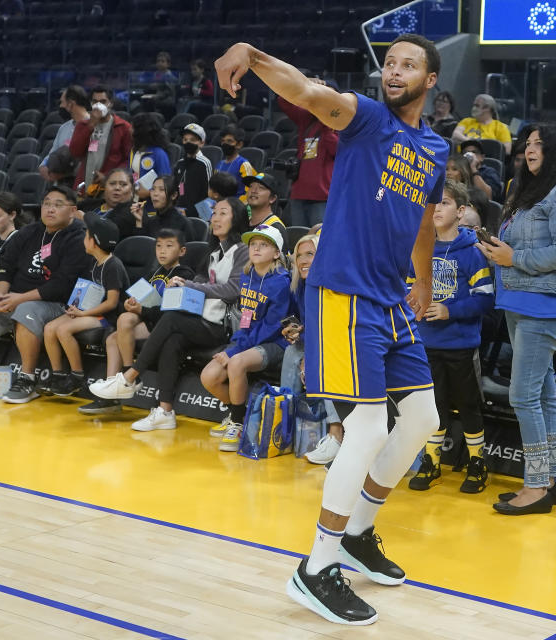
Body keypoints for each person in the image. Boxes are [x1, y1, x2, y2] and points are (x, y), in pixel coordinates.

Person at [215, 32, 449, 625]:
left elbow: (423, 216)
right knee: (368, 426)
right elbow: (308, 91)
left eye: (409, 65)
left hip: (390, 297)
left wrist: (421, 280)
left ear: (431, 81)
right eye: (389, 62)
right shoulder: (367, 119)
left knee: (422, 418)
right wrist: (256, 55)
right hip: (343, 294)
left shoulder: (433, 148)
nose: (394, 71)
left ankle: (358, 533)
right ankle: (316, 568)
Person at [476, 123, 556, 515]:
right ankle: (549, 478)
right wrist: (497, 250)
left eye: (539, 144)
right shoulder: (529, 190)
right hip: (520, 299)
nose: (530, 150)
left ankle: (536, 485)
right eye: (527, 144)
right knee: (542, 394)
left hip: (547, 303)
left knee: (522, 396)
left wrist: (514, 259)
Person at [88, 197, 251, 431]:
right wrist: (181, 284)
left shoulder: (242, 251)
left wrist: (191, 286)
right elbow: (201, 284)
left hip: (223, 327)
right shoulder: (214, 252)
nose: (215, 217)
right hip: (203, 319)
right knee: (171, 341)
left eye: (223, 213)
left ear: (237, 218)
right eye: (214, 213)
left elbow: (233, 291)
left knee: (172, 320)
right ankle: (165, 411)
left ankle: (129, 377)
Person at [0, 185, 92, 401]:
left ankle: (27, 378)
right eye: (46, 203)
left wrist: (19, 298)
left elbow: (62, 284)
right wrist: (0, 294)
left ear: (73, 211)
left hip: (56, 303)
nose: (50, 209)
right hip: (15, 296)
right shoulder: (31, 231)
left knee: (26, 310)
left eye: (58, 205)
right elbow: (5, 264)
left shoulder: (78, 238)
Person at [409, 178, 494, 493]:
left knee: (469, 407)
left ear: (461, 211)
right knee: (435, 408)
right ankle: (431, 462)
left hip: (460, 344)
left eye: (444, 202)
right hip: (426, 344)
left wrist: (450, 310)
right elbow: (409, 287)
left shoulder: (471, 251)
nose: (437, 209)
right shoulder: (420, 247)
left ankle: (476, 464)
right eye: (434, 203)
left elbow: (485, 298)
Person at [80, 228, 195, 415]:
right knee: (112, 338)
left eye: (168, 246)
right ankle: (110, 396)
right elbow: (140, 298)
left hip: (166, 325)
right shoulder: (154, 271)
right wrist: (131, 302)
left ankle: (130, 376)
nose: (162, 251)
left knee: (125, 320)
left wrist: (140, 310)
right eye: (158, 246)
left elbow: (170, 312)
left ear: (182, 251)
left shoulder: (184, 275)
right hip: (149, 320)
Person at [200, 224, 291, 452]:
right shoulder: (247, 276)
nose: (256, 249)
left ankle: (239, 424)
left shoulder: (281, 282)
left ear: (277, 253)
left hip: (276, 343)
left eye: (264, 245)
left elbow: (271, 329)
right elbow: (246, 317)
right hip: (249, 339)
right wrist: (237, 343)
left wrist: (233, 351)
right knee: (209, 376)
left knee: (237, 363)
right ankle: (242, 414)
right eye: (253, 244)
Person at [39, 213, 129, 397]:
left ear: (94, 242)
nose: (83, 238)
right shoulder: (95, 262)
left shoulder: (113, 265)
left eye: (87, 235)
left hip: (109, 316)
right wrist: (77, 308)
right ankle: (58, 374)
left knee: (63, 330)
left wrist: (82, 314)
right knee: (49, 329)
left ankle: (77, 377)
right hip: (91, 310)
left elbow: (112, 303)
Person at [276, 233, 345, 465]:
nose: (303, 260)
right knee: (290, 352)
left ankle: (336, 436)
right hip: (316, 342)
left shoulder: (331, 285)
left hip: (339, 345)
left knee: (322, 362)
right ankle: (284, 425)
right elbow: (312, 325)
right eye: (299, 255)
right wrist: (296, 331)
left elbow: (331, 328)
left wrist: (310, 355)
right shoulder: (301, 286)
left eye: (310, 254)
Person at [278, 79, 340, 228]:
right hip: (299, 192)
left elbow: (337, 150)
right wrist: (303, 84)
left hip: (323, 195)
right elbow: (283, 100)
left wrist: (327, 122)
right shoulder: (307, 117)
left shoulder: (341, 121)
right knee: (299, 240)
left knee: (318, 242)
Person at [69, 86, 132, 197]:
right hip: (85, 185)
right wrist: (91, 125)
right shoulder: (82, 125)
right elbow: (75, 152)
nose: (98, 105)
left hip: (109, 188)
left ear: (110, 103)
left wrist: (109, 176)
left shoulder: (123, 127)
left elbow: (129, 160)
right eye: (95, 101)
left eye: (103, 101)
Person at [40, 86, 91, 182]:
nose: (60, 107)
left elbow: (93, 158)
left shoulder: (94, 126)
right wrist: (43, 166)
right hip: (61, 183)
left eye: (62, 102)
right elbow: (53, 153)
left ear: (71, 104)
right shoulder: (64, 128)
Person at [173, 123, 214, 218]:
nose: (188, 142)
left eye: (192, 140)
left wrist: (190, 213)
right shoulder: (180, 163)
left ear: (202, 143)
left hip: (197, 216)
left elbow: (209, 195)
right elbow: (176, 190)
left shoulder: (204, 163)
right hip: (179, 213)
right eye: (185, 139)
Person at [129, 113, 172, 199]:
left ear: (140, 131)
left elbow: (167, 185)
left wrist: (149, 193)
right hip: (133, 202)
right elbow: (131, 174)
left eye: (132, 127)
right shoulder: (133, 151)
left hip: (152, 207)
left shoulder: (159, 154)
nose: (129, 129)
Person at [88, 167, 138, 241]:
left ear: (132, 190)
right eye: (112, 183)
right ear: (104, 187)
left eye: (123, 184)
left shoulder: (134, 212)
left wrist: (83, 219)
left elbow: (107, 232)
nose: (117, 188)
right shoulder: (89, 205)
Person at [216, 125, 255, 197]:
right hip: (219, 204)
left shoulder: (245, 164)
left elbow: (251, 191)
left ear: (239, 145)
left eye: (229, 141)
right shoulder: (219, 164)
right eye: (223, 141)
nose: (225, 144)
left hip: (236, 205)